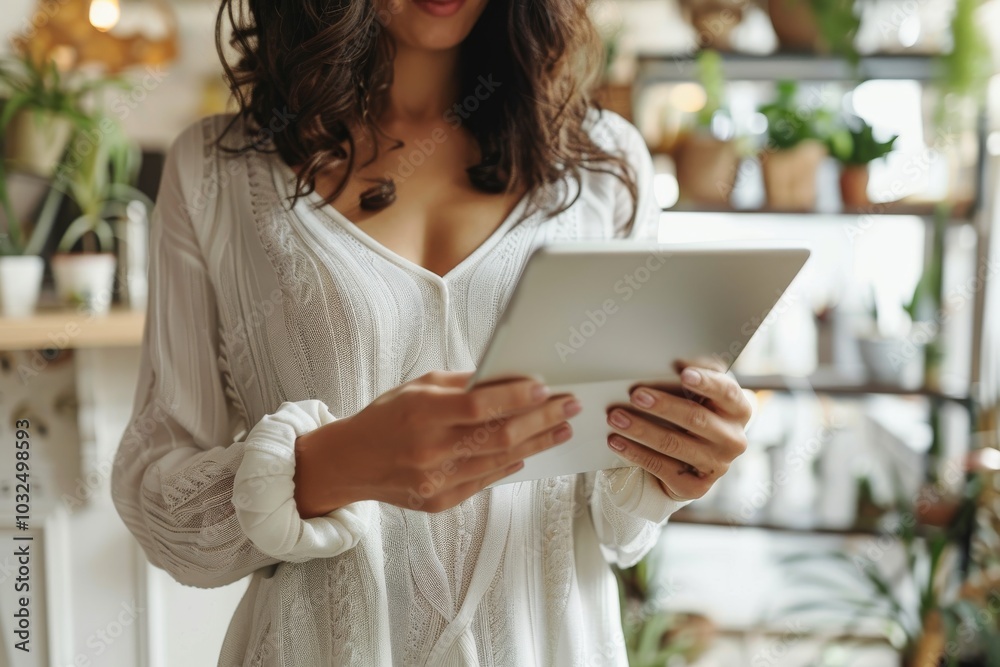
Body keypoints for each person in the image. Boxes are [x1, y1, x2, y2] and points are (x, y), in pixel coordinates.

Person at [111, 0, 752, 664]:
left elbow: (617, 531)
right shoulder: (217, 171)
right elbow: (164, 507)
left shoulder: (604, 166)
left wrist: (678, 456)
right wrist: (333, 464)